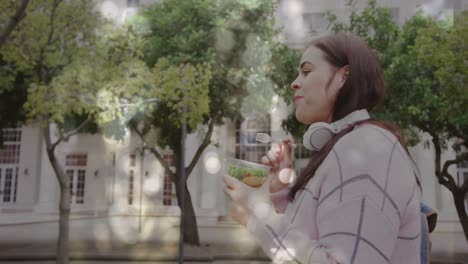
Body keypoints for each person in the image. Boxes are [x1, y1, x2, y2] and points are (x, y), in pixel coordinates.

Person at [223, 32, 423, 264]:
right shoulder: (349, 144)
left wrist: (256, 213)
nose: (294, 82)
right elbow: (314, 244)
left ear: (343, 76)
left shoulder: (366, 148)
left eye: (306, 71)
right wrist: (282, 193)